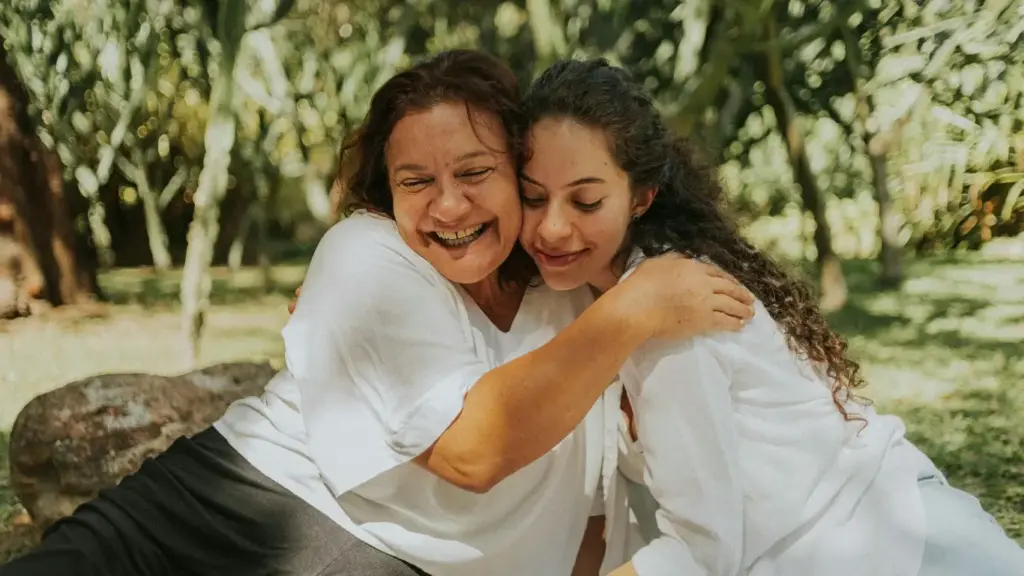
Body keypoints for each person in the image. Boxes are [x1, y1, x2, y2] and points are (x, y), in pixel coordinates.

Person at [0, 51, 754, 576]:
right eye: (415, 179)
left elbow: (589, 516)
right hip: (218, 515)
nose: (449, 204)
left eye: (476, 172)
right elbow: (472, 452)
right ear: (384, 193)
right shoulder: (368, 257)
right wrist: (632, 311)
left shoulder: (566, 285)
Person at [516, 57, 1024, 576]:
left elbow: (700, 553)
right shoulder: (589, 299)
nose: (552, 228)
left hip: (902, 552)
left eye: (586, 201)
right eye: (533, 197)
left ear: (642, 197)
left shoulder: (673, 315)